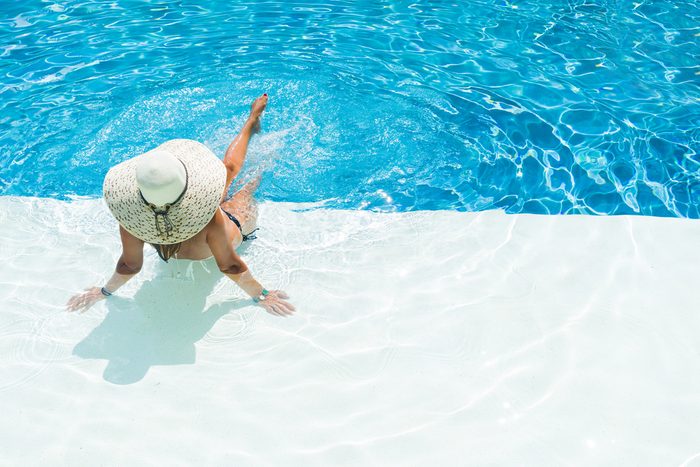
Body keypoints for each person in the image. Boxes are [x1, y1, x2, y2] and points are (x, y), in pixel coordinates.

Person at [66, 94, 295, 317]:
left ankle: (251, 121)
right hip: (236, 223)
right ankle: (254, 127)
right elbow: (229, 266)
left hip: (203, 223)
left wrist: (104, 292)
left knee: (231, 173)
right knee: (244, 183)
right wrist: (262, 295)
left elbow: (129, 265)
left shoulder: (133, 219)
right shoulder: (210, 218)